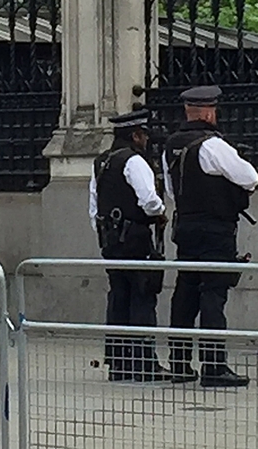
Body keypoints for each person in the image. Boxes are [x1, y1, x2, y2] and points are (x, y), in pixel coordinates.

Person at [161, 85, 258, 387]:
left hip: (185, 227)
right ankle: (214, 366)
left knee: (185, 291)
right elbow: (250, 178)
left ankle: (179, 362)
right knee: (214, 293)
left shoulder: (171, 146)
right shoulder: (213, 145)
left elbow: (168, 190)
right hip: (215, 229)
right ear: (207, 112)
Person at [89, 108, 171, 382]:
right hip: (135, 238)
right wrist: (159, 212)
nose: (146, 140)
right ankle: (144, 363)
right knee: (143, 295)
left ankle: (119, 363)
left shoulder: (100, 162)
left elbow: (94, 207)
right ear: (136, 135)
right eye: (144, 135)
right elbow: (148, 199)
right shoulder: (133, 161)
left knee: (118, 297)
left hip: (110, 240)